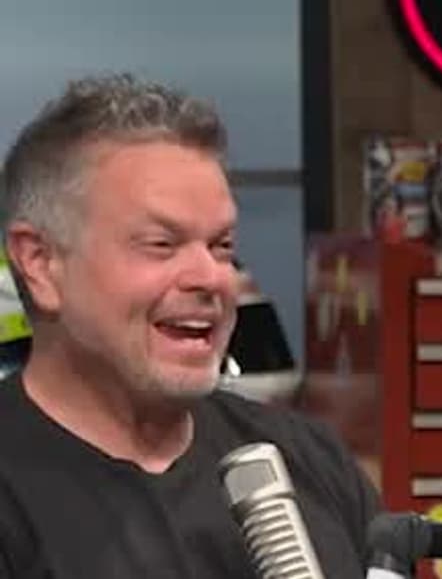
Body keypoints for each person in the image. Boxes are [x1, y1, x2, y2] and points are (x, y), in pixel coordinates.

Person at [0, 74, 380, 577]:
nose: (212, 277)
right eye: (161, 244)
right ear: (41, 263)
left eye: (221, 246)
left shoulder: (309, 460)